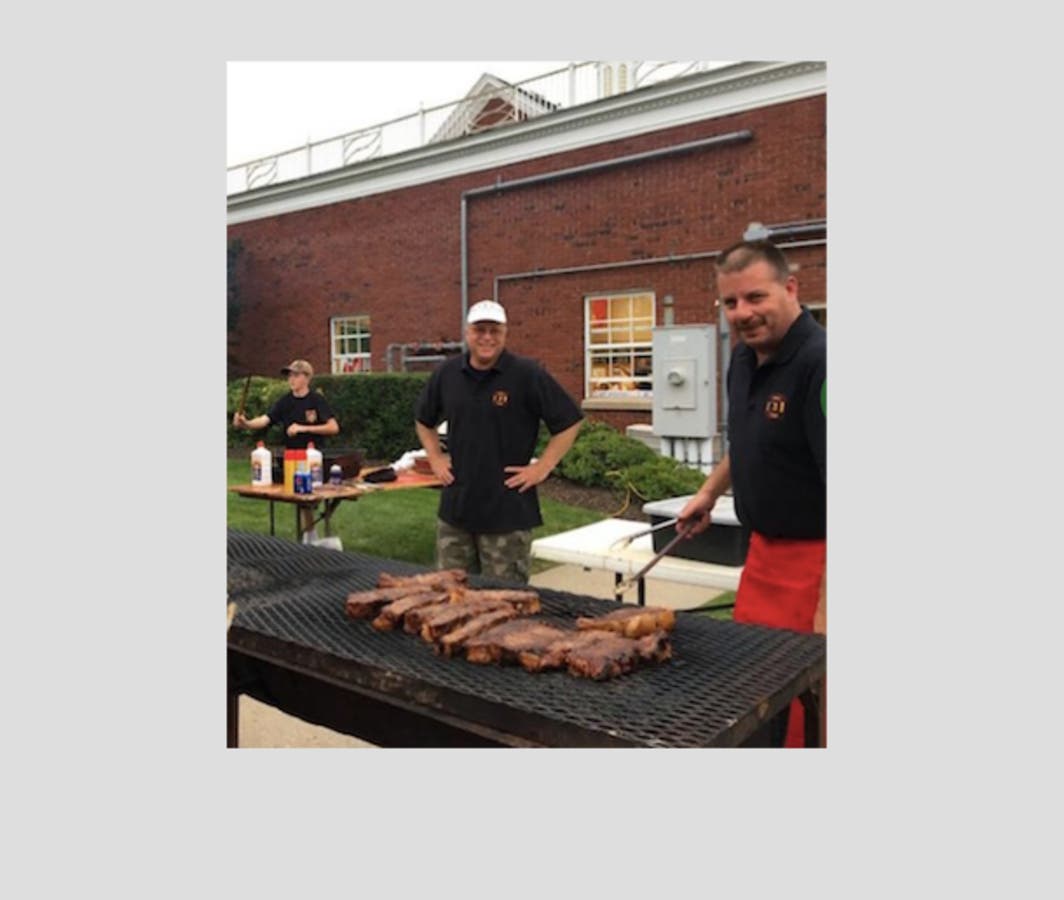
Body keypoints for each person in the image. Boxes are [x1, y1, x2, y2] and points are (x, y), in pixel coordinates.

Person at [677, 239, 826, 747]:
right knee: (752, 696)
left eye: (755, 297)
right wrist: (710, 492)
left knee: (806, 719)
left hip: (817, 569)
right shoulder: (743, 361)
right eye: (730, 303)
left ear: (790, 288)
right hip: (761, 558)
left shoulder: (822, 364)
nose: (743, 313)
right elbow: (751, 442)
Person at [415, 299, 583, 584]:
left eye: (495, 331)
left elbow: (569, 421)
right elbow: (423, 419)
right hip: (456, 508)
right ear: (468, 333)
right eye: (480, 330)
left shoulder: (527, 374)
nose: (487, 338)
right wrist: (436, 458)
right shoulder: (448, 373)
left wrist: (543, 467)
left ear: (505, 333)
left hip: (508, 511)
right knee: (449, 595)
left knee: (505, 603)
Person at [232, 358, 340, 537]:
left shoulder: (316, 400)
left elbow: (333, 427)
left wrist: (303, 427)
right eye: (289, 375)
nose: (291, 379)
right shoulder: (285, 401)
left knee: (313, 497)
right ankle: (310, 534)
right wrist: (246, 423)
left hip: (313, 458)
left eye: (295, 375)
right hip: (291, 458)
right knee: (300, 499)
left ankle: (318, 534)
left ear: (307, 378)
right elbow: (265, 420)